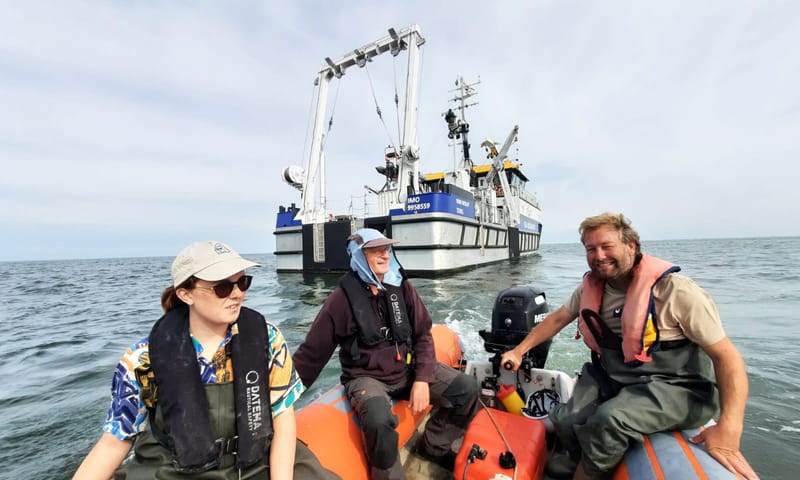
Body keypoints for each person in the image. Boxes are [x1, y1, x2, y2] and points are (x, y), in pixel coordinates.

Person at [500, 213, 759, 480]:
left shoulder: (676, 291)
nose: (599, 255)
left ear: (631, 246)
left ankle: (586, 473)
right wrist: (519, 351)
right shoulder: (592, 287)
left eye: (606, 246)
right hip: (614, 374)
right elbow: (557, 319)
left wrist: (730, 427)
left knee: (609, 420)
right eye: (591, 249)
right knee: (565, 419)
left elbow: (727, 356)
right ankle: (577, 457)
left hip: (676, 385)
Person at [72, 240, 339, 480]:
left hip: (257, 466)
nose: (236, 293)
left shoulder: (268, 339)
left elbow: (282, 418)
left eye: (242, 282)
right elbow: (114, 441)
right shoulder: (141, 360)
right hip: (175, 471)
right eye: (222, 287)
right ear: (185, 294)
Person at [293, 228, 480, 480]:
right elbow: (311, 356)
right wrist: (278, 401)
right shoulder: (340, 301)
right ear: (359, 255)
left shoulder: (401, 287)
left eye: (387, 249)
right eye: (376, 250)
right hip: (366, 378)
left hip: (407, 369)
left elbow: (423, 334)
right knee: (379, 421)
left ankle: (433, 447)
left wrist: (423, 379)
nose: (384, 254)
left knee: (467, 389)